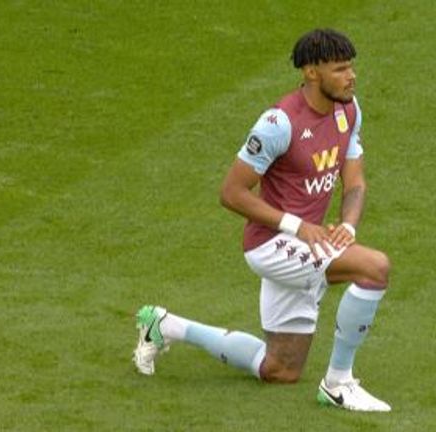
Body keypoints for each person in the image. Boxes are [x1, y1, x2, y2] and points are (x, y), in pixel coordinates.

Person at [133, 28, 392, 412]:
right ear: (311, 73)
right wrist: (298, 226)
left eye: (351, 67)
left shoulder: (348, 112)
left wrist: (348, 226)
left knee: (280, 369)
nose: (351, 76)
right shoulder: (279, 122)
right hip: (271, 244)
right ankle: (339, 383)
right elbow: (231, 193)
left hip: (310, 242)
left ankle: (165, 325)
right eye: (340, 69)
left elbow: (354, 182)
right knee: (374, 268)